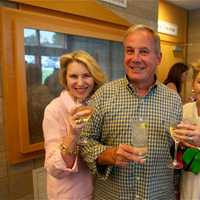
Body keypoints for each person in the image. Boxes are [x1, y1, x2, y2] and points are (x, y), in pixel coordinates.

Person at [80, 24, 183, 200]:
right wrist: (108, 155)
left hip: (159, 195)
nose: (135, 58)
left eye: (143, 51)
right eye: (129, 51)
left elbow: (176, 150)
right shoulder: (104, 94)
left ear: (158, 58)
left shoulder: (173, 100)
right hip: (112, 195)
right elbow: (82, 141)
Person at [42, 50, 107, 200]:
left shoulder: (99, 106)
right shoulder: (54, 110)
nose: (80, 82)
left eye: (86, 75)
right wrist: (72, 135)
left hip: (101, 191)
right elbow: (53, 169)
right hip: (70, 194)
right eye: (73, 76)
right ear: (65, 79)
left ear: (94, 78)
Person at [173, 69, 200, 200]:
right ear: (193, 85)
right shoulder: (185, 110)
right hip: (188, 179)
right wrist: (179, 144)